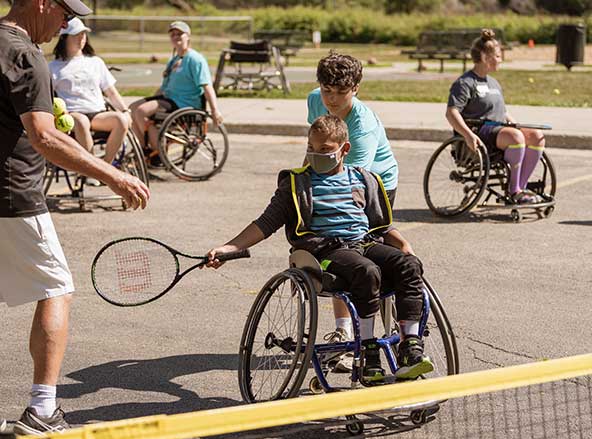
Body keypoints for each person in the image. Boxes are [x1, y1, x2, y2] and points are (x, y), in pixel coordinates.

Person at [0, 0, 150, 434]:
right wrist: (114, 176)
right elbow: (45, 137)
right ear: (41, 2)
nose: (68, 23)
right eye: (64, 12)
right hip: (13, 195)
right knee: (56, 288)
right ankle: (43, 409)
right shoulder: (25, 53)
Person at [206, 115, 433, 382]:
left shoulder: (363, 180)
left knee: (409, 265)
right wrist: (229, 247)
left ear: (344, 150)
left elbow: (381, 225)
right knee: (367, 271)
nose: (316, 155)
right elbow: (265, 223)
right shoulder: (297, 185)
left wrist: (404, 244)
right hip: (327, 252)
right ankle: (369, 352)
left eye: (325, 150)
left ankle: (410, 347)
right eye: (311, 148)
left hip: (366, 243)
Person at [307, 52, 401, 367]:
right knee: (337, 248)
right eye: (326, 90)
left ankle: (380, 323)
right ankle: (343, 330)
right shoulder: (314, 101)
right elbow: (316, 149)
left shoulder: (363, 126)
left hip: (375, 182)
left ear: (356, 88)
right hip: (338, 175)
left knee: (360, 251)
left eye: (340, 92)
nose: (331, 99)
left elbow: (350, 178)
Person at [446, 28, 546, 205]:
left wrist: (518, 125)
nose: (501, 60)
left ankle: (521, 187)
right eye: (498, 56)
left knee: (537, 136)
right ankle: (514, 191)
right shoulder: (464, 83)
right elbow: (451, 112)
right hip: (479, 132)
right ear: (485, 57)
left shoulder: (493, 82)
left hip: (499, 130)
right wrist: (468, 135)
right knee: (515, 137)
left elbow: (503, 111)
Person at [130, 21, 223, 163]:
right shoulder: (174, 60)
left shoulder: (195, 60)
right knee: (132, 109)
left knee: (141, 111)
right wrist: (150, 99)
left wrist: (215, 110)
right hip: (169, 99)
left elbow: (207, 86)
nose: (176, 37)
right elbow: (164, 87)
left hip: (183, 103)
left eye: (180, 34)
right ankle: (144, 147)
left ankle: (155, 153)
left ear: (188, 36)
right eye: (173, 34)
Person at [49, 17, 131, 167]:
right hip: (72, 114)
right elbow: (48, 97)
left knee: (121, 120)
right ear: (64, 38)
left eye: (84, 34)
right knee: (81, 121)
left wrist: (125, 110)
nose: (81, 38)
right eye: (77, 35)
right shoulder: (53, 67)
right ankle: (92, 168)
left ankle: (105, 167)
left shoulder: (95, 62)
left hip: (97, 113)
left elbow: (111, 92)